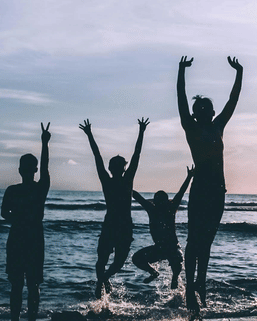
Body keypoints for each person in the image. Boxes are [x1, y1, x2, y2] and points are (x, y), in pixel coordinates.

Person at [176, 55, 243, 315]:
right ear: (195, 113)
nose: (203, 111)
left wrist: (239, 72)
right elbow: (181, 99)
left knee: (207, 242)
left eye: (207, 108)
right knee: (194, 241)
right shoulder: (190, 128)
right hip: (201, 190)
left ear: (212, 113)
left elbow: (233, 101)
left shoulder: (218, 126)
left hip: (218, 192)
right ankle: (190, 289)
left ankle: (200, 281)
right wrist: (181, 71)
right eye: (199, 109)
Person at [80, 117, 149, 298]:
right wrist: (141, 132)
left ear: (113, 168)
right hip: (119, 224)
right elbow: (136, 155)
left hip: (115, 224)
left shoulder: (114, 181)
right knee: (110, 261)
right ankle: (103, 280)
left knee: (107, 262)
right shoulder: (122, 181)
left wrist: (89, 134)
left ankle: (102, 280)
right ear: (117, 168)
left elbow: (98, 156)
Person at [1, 122, 51, 321]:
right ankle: (29, 318)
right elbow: (46, 166)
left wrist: (44, 143)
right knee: (32, 284)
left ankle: (17, 319)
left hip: (19, 238)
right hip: (32, 238)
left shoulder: (14, 190)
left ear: (20, 170)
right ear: (34, 170)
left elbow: (4, 213)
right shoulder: (39, 188)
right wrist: (45, 143)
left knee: (19, 284)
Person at [131, 166, 195, 288]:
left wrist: (189, 177)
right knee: (136, 259)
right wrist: (126, 184)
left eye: (161, 201)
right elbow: (137, 197)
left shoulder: (169, 209)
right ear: (155, 201)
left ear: (166, 201)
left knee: (177, 261)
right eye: (158, 201)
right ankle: (154, 272)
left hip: (173, 248)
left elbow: (181, 192)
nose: (159, 203)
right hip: (159, 248)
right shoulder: (153, 209)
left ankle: (175, 278)